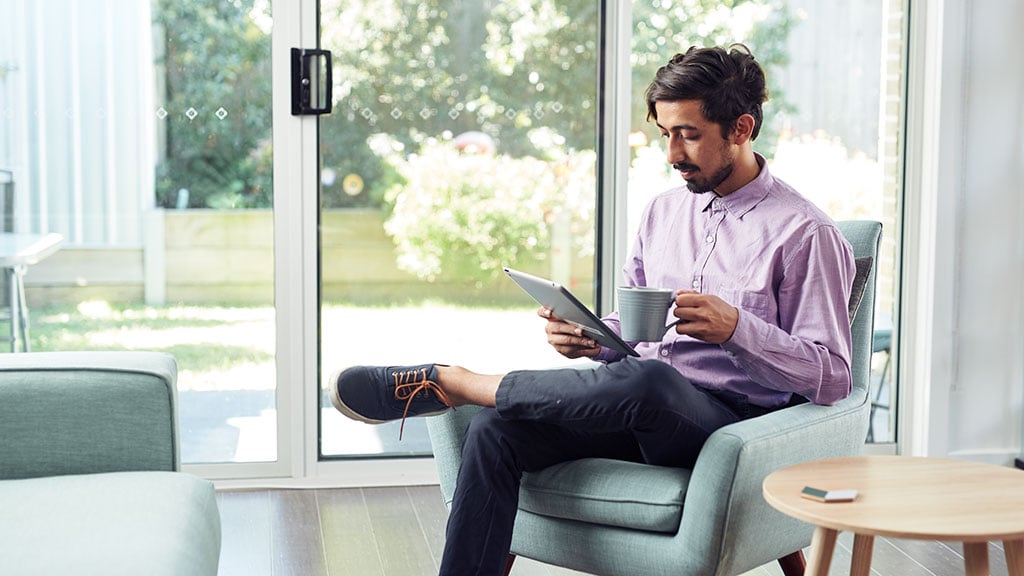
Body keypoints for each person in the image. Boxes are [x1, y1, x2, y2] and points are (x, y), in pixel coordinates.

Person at [329, 44, 856, 576]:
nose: (672, 153)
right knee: (493, 432)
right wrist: (593, 337)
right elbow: (633, 328)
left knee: (649, 379)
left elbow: (833, 377)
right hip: (637, 406)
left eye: (689, 134)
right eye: (665, 134)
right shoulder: (662, 211)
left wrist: (739, 329)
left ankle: (458, 380)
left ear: (741, 129)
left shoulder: (805, 233)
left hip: (726, 431)